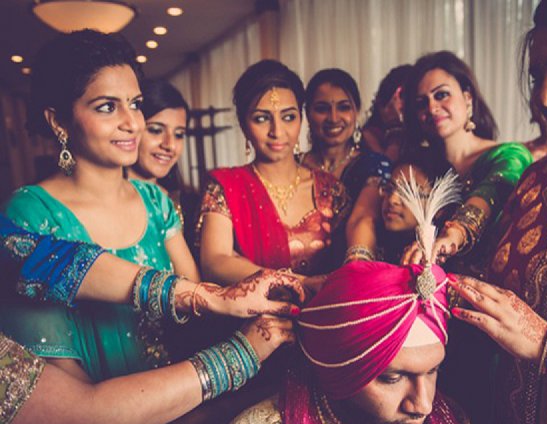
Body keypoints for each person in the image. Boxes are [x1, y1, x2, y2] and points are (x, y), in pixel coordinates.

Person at [1, 29, 199, 424]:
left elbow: (195, 301)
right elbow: (60, 377)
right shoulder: (33, 213)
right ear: (58, 121)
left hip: (182, 408)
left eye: (136, 104)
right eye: (107, 106)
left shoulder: (154, 200)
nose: (132, 122)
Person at [0, 213, 301, 424]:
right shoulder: (32, 208)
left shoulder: (155, 206)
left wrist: (214, 297)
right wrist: (240, 355)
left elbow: (41, 257)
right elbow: (88, 419)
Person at [450, 0, 547, 424]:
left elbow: (530, 332)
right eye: (537, 77)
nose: (545, 97)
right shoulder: (538, 177)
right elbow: (503, 289)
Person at [214, 261, 467, 424]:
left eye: (433, 371)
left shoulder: (454, 421)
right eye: (392, 378)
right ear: (337, 370)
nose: (423, 405)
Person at [197, 60, 348, 292]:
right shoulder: (226, 187)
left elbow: (347, 260)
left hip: (326, 314)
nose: (277, 132)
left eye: (288, 117)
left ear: (301, 118)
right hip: (255, 319)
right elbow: (215, 261)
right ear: (243, 125)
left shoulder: (330, 189)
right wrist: (298, 283)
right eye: (261, 118)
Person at [401, 51, 533, 272]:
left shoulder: (509, 155)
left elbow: (491, 192)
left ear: (468, 97)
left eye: (441, 95)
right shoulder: (419, 169)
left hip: (490, 291)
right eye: (421, 103)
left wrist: (453, 234)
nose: (432, 108)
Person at [301, 68, 392, 264]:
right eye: (322, 108)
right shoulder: (293, 166)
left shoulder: (373, 165)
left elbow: (363, 219)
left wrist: (354, 271)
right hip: (291, 274)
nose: (333, 118)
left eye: (343, 107)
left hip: (351, 268)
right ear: (307, 114)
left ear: (356, 111)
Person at [127, 79, 200, 249]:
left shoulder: (189, 205)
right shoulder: (105, 203)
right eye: (155, 130)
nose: (169, 145)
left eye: (179, 134)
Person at [362, 65, 414, 164]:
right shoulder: (369, 136)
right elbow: (388, 166)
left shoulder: (420, 131)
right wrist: (394, 124)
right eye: (403, 96)